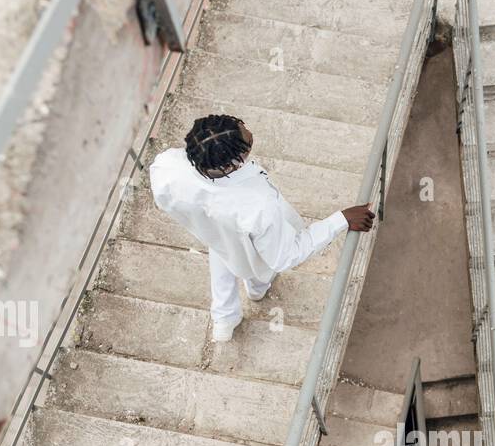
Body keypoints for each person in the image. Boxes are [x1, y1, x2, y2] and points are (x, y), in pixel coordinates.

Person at [149, 113, 375, 341]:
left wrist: (209, 222)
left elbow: (165, 201)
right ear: (233, 162)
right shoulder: (257, 207)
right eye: (245, 136)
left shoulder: (166, 167)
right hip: (243, 241)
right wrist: (341, 219)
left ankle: (224, 318)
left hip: (211, 229)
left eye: (240, 123)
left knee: (223, 251)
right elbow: (285, 256)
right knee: (254, 266)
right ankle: (256, 291)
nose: (248, 129)